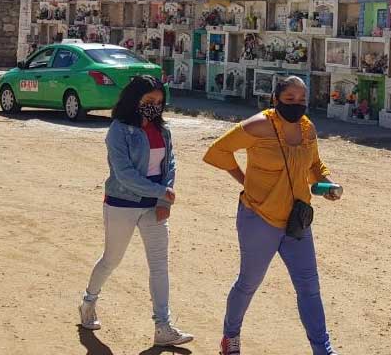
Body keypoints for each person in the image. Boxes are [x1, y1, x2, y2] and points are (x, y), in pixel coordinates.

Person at [204, 75, 342, 355]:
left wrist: (326, 181)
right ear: (275, 99)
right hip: (259, 218)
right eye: (290, 99)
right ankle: (230, 338)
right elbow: (218, 151)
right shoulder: (258, 125)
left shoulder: (307, 129)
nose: (296, 105)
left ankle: (322, 349)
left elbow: (314, 163)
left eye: (302, 100)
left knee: (309, 287)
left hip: (297, 220)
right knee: (248, 283)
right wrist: (244, 180)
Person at [79, 75, 193, 347]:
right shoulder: (118, 130)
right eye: (148, 101)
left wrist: (163, 201)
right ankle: (88, 302)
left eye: (159, 101)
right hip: (122, 203)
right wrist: (160, 193)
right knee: (111, 260)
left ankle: (163, 326)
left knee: (159, 267)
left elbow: (170, 165)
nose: (154, 106)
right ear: (135, 100)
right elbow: (124, 174)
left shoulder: (163, 131)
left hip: (153, 207)